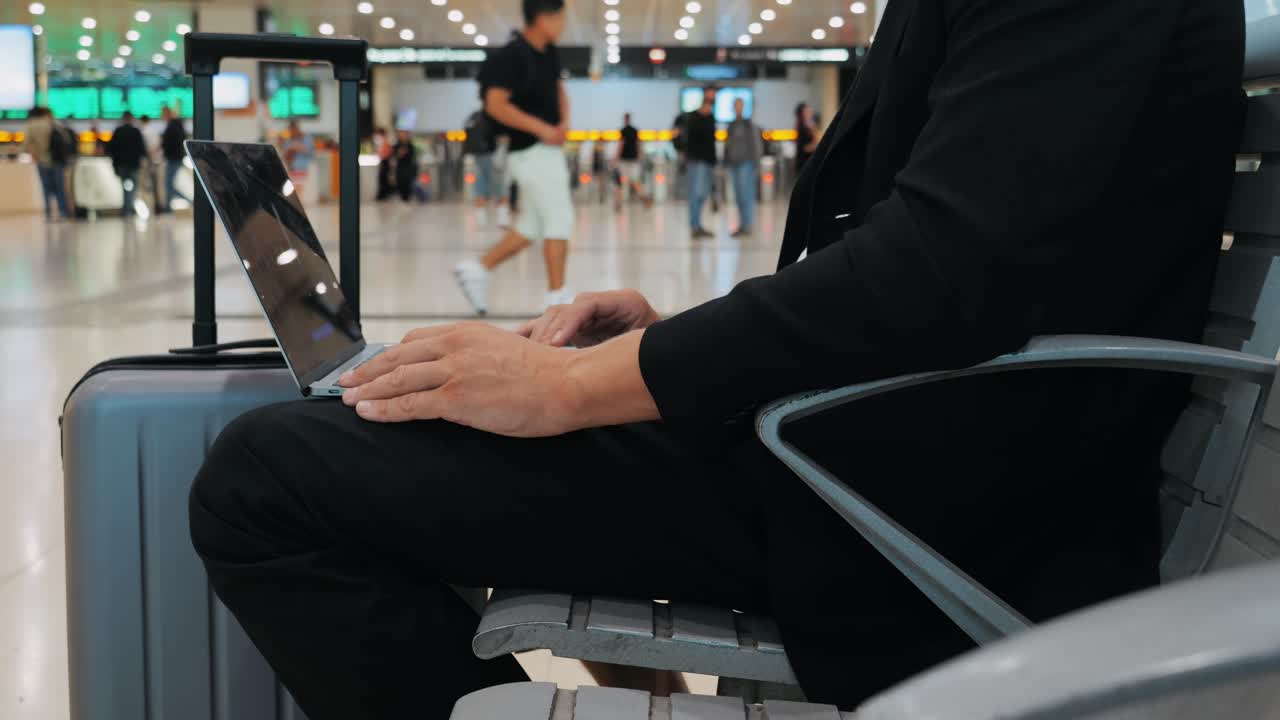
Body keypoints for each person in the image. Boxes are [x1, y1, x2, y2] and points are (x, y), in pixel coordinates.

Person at [188, 1, 1243, 717]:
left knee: (267, 485)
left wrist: (570, 388)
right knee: (381, 428)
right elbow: (954, 264)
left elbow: (944, 272)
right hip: (868, 448)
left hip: (899, 503)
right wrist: (667, 341)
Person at [453, 0, 574, 314]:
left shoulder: (549, 52)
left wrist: (563, 121)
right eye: (560, 18)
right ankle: (557, 301)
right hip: (530, 152)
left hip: (547, 150)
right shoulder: (509, 56)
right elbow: (495, 104)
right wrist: (542, 129)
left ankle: (477, 268)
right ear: (543, 18)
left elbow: (558, 88)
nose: (564, 24)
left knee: (531, 226)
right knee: (560, 220)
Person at [677, 86, 718, 239]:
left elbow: (711, 141)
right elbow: (688, 138)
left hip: (708, 161)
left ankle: (697, 224)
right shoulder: (693, 117)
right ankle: (694, 226)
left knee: (702, 194)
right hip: (696, 161)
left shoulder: (711, 117)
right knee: (696, 193)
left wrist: (714, 160)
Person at [464, 108, 512, 227]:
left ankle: (481, 221)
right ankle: (503, 220)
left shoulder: (473, 116)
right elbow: (503, 138)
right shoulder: (496, 115)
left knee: (479, 189)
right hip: (494, 158)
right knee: (501, 188)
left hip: (476, 157)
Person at [23, 107, 72, 222]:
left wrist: (34, 153)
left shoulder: (31, 125)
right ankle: (63, 212)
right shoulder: (54, 124)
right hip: (57, 160)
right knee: (60, 187)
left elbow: (25, 145)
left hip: (41, 160)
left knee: (46, 188)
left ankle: (48, 213)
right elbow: (67, 141)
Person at [724, 97, 763, 237]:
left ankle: (747, 225)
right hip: (734, 165)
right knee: (739, 196)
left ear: (743, 107)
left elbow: (756, 145)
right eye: (735, 105)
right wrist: (725, 163)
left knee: (746, 195)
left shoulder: (748, 125)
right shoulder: (731, 125)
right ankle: (742, 224)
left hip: (746, 164)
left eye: (740, 105)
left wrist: (756, 165)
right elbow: (727, 146)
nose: (737, 108)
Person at [106, 112, 147, 218]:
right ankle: (128, 209)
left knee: (125, 187)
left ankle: (127, 208)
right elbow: (142, 149)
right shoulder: (136, 131)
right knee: (132, 187)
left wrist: (115, 165)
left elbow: (111, 149)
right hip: (133, 165)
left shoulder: (118, 131)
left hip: (122, 166)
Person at [614, 112, 652, 211]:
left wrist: (616, 158)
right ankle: (644, 197)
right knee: (635, 181)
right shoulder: (635, 131)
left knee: (619, 182)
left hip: (624, 160)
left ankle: (618, 203)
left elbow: (621, 145)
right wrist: (639, 155)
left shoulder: (623, 131)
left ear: (625, 119)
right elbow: (638, 144)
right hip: (634, 160)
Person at [159, 106, 193, 213]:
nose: (162, 116)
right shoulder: (177, 125)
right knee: (168, 184)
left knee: (168, 185)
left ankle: (189, 201)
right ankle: (168, 208)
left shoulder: (172, 126)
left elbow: (170, 143)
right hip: (175, 157)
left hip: (174, 158)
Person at [391, 130, 419, 203]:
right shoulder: (396, 146)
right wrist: (399, 154)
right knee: (400, 187)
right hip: (400, 170)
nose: (403, 136)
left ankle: (407, 201)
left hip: (408, 170)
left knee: (408, 188)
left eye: (405, 134)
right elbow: (393, 157)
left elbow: (412, 157)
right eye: (402, 134)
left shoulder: (410, 146)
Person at [794, 102, 818, 175]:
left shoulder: (809, 126)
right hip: (804, 164)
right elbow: (804, 148)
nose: (810, 112)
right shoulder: (801, 128)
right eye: (807, 111)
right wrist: (815, 146)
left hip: (809, 163)